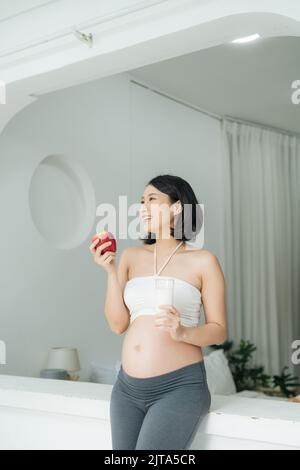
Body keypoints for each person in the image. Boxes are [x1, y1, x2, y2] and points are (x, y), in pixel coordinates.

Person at [89, 174, 227, 450]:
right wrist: (110, 271)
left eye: (152, 200)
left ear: (177, 208)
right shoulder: (130, 257)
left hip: (179, 389)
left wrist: (183, 331)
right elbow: (118, 324)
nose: (142, 207)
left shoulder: (203, 261)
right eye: (141, 201)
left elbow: (219, 331)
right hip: (126, 389)